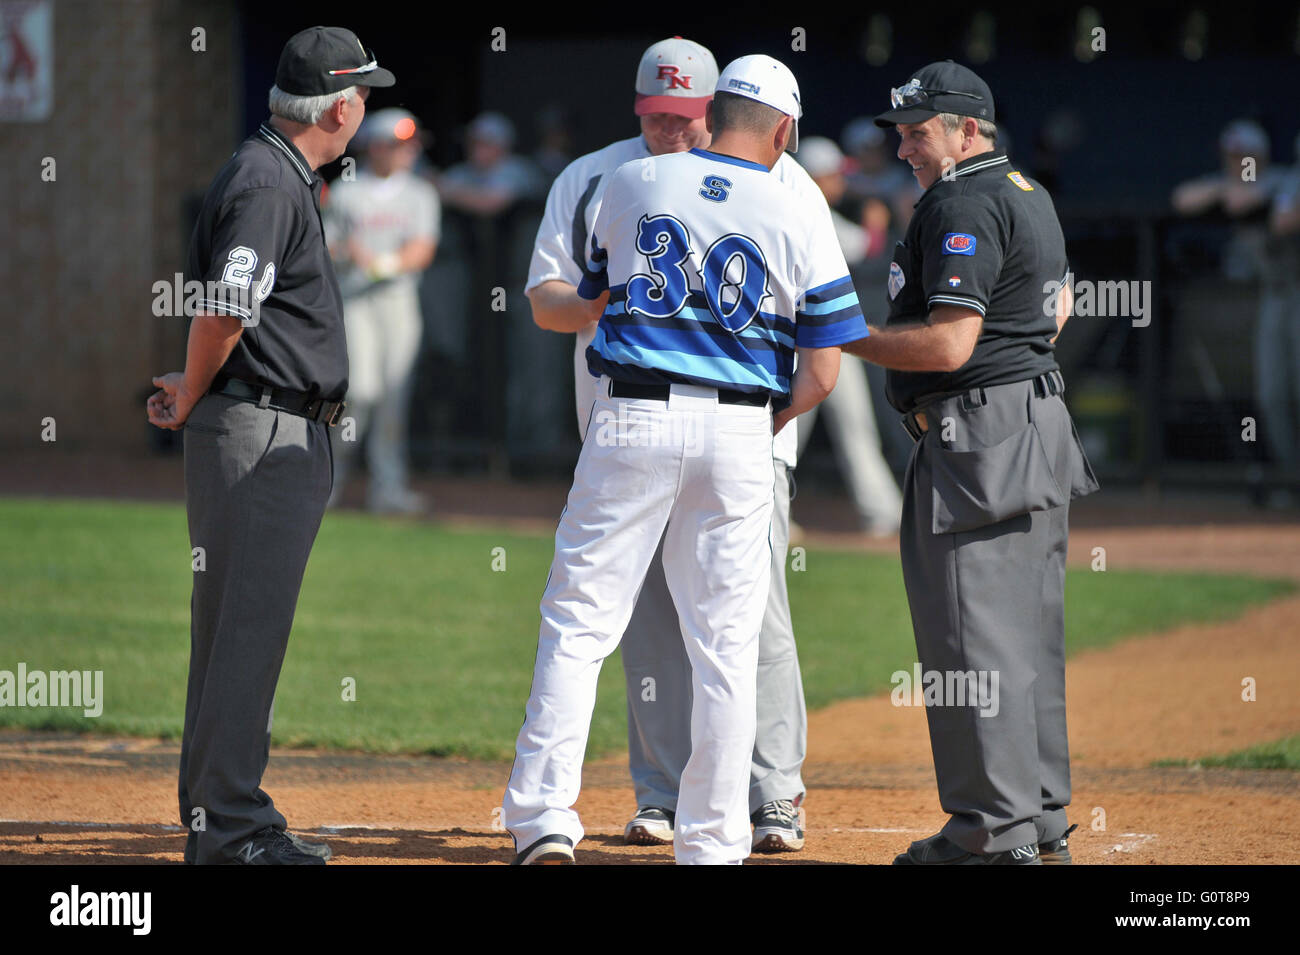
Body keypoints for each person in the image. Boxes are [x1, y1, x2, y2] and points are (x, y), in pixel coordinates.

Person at [504, 54, 866, 865]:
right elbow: (823, 369)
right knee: (727, 646)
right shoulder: (796, 200)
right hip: (741, 428)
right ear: (783, 128)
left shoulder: (627, 181)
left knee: (578, 623)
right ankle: (712, 842)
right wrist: (760, 420)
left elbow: (589, 300)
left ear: (715, 110)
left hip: (630, 417)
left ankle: (543, 820)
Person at [145, 26, 395, 865]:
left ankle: (217, 818)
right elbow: (226, 303)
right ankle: (232, 828)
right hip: (262, 429)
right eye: (362, 93)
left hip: (267, 423)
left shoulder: (274, 171)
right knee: (244, 634)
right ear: (339, 107)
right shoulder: (268, 180)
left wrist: (196, 386)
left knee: (232, 635)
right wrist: (194, 390)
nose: (365, 107)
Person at [842, 60, 1099, 865]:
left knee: (968, 642)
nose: (906, 148)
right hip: (1036, 424)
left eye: (919, 133)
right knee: (1025, 638)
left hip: (976, 438)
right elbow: (1058, 308)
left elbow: (952, 343)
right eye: (901, 134)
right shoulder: (1029, 191)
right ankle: (1040, 818)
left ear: (966, 129)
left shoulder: (961, 200)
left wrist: (843, 338)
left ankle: (991, 831)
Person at [1173, 120, 1294, 506]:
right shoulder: (1227, 182)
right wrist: (1224, 188)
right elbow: (1182, 198)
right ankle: (1292, 478)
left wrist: (1239, 192)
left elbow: (1257, 203)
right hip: (1274, 294)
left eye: (1243, 156)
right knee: (1273, 395)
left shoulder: (1283, 179)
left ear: (1260, 156)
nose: (1236, 162)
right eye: (1231, 156)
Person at [325, 107, 439, 514]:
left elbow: (422, 250)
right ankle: (328, 481)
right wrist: (347, 252)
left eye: (412, 144)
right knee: (359, 392)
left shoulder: (420, 192)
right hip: (355, 300)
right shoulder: (346, 190)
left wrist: (380, 264)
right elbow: (326, 246)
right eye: (398, 144)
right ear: (375, 146)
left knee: (394, 395)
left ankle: (388, 488)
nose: (409, 150)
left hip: (398, 300)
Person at [794, 136, 903, 535]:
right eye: (835, 176)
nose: (842, 183)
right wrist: (876, 221)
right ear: (817, 176)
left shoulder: (816, 206)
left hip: (830, 332)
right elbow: (864, 245)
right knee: (788, 432)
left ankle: (881, 510)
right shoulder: (802, 205)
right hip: (798, 339)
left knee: (855, 424)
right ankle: (767, 511)